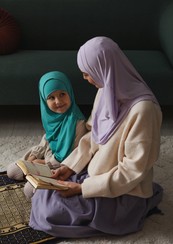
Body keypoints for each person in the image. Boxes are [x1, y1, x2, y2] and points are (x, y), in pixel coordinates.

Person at [29, 36, 163, 237]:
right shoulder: (105, 90)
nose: (85, 78)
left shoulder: (144, 111)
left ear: (104, 69)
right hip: (95, 173)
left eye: (87, 73)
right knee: (43, 193)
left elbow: (132, 172)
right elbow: (94, 135)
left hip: (123, 191)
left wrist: (83, 188)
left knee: (51, 212)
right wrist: (70, 166)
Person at [7, 70, 86, 198]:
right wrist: (34, 156)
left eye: (62, 94)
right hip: (46, 158)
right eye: (51, 97)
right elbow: (47, 139)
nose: (58, 101)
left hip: (62, 166)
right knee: (12, 171)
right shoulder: (51, 117)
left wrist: (44, 163)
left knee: (29, 191)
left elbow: (72, 155)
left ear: (70, 93)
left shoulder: (77, 122)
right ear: (44, 100)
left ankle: (37, 183)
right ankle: (32, 174)